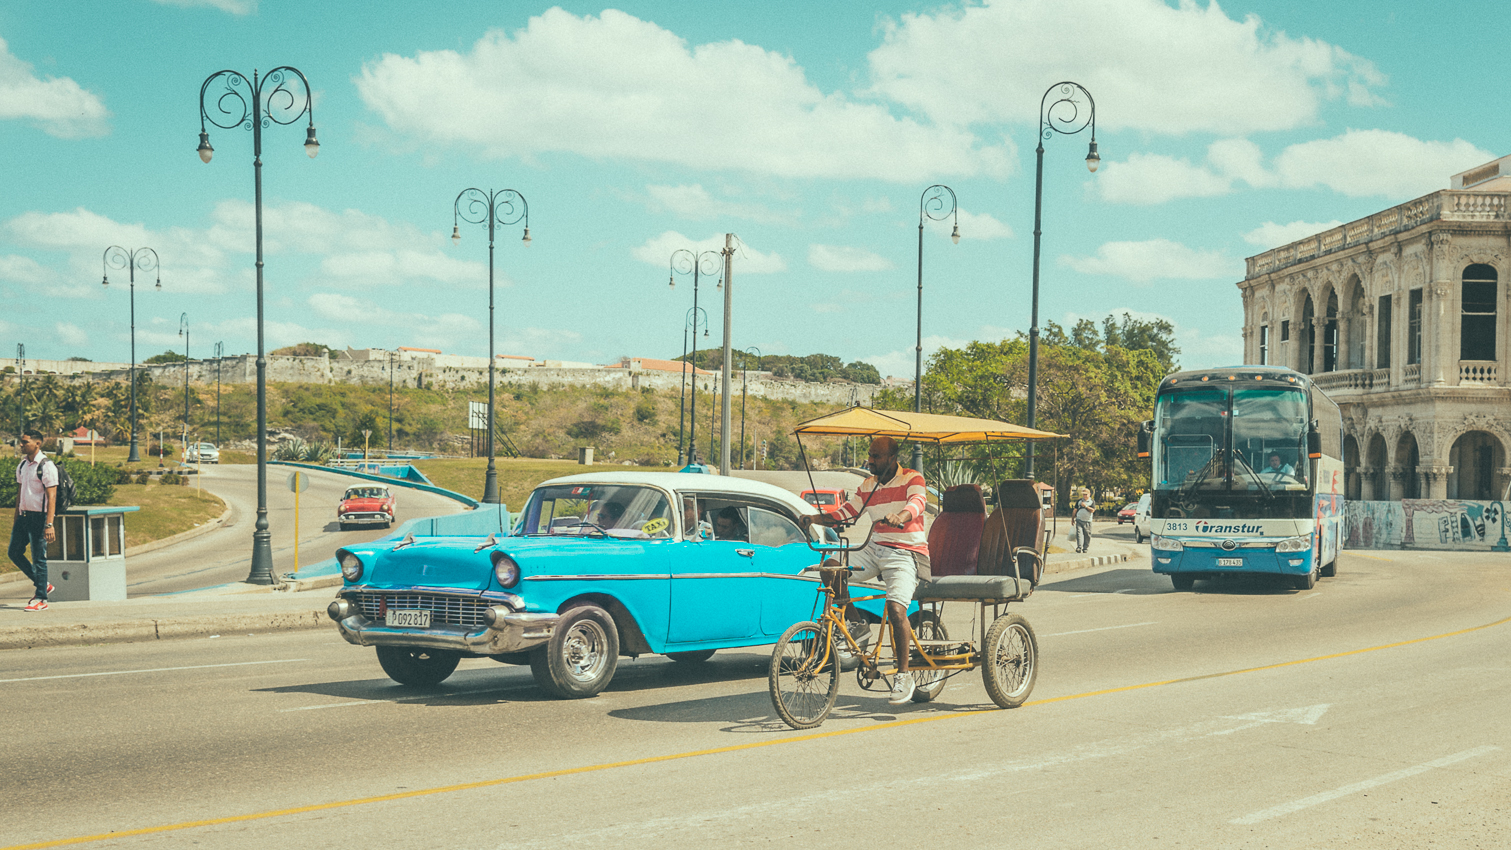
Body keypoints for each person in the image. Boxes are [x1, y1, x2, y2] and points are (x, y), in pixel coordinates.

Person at [800, 435, 929, 705]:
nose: (869, 461)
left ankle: (903, 676)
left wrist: (901, 517)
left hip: (907, 552)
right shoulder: (868, 485)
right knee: (830, 567)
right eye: (869, 455)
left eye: (876, 457)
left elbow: (917, 504)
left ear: (892, 459)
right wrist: (814, 518)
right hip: (874, 547)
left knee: (895, 609)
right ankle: (858, 624)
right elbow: (846, 513)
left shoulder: (911, 478)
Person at [10, 429, 57, 612]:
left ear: (37, 443)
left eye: (25, 442)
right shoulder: (22, 465)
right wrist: (16, 517)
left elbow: (51, 497)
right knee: (14, 552)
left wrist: (49, 524)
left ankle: (41, 599)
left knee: (39, 558)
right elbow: (20, 493)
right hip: (24, 516)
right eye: (21, 442)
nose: (21, 445)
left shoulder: (46, 466)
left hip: (39, 517)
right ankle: (42, 584)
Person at [1074, 488, 1095, 553]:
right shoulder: (1079, 501)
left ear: (1089, 494)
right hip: (1079, 520)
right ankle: (1079, 547)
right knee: (1079, 533)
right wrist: (1072, 518)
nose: (1085, 496)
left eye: (1086, 494)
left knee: (1087, 534)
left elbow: (1092, 510)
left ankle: (1085, 547)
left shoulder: (1092, 501)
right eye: (1083, 494)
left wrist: (1085, 506)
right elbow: (1075, 510)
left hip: (1087, 521)